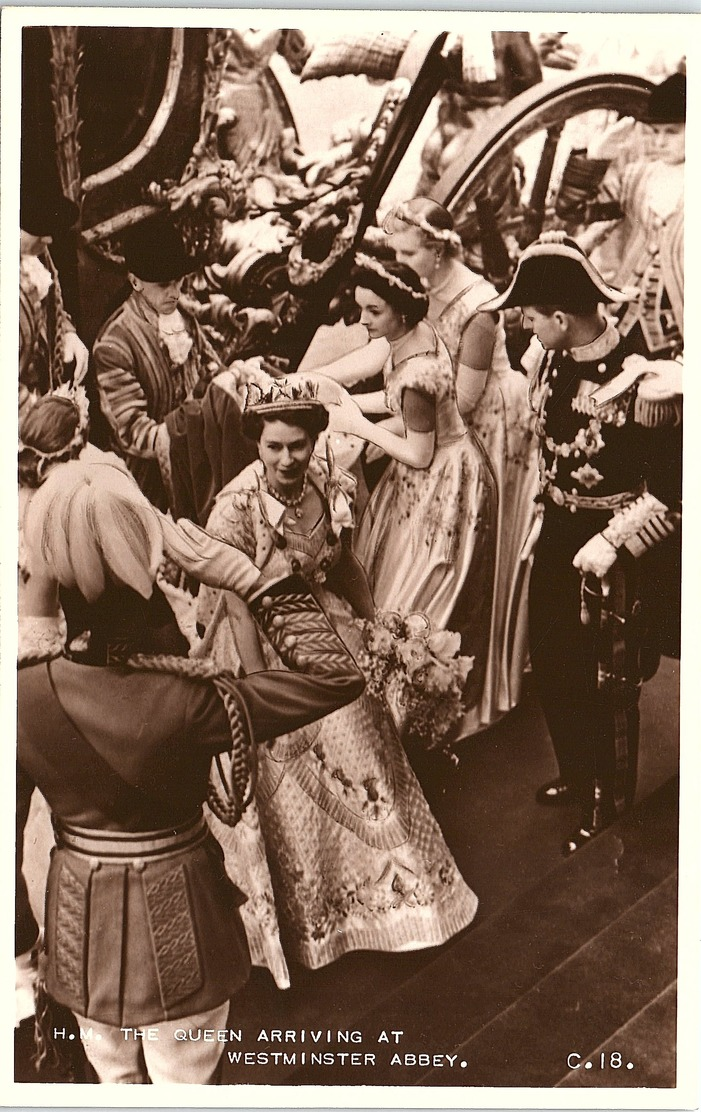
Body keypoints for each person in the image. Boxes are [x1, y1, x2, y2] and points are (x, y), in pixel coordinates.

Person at [16, 459, 365, 1084]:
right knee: (188, 1082)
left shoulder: (22, 696)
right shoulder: (194, 700)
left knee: (114, 1080)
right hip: (180, 919)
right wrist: (243, 574)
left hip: (77, 925)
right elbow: (337, 675)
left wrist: (19, 950)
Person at [196, 377, 478, 987]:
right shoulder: (235, 509)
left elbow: (344, 561)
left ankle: (400, 904)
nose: (286, 459)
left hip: (327, 625)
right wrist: (263, 692)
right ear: (257, 444)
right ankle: (312, 924)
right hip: (262, 645)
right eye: (273, 447)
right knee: (290, 776)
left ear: (314, 439)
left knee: (367, 749)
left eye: (297, 445)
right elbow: (239, 606)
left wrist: (380, 629)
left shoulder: (328, 481)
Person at [479, 232, 680, 854]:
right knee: (557, 662)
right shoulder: (553, 358)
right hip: (559, 533)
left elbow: (674, 496)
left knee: (608, 682)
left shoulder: (643, 384)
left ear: (563, 318)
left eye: (534, 318)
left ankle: (609, 801)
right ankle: (576, 772)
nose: (529, 329)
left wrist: (615, 543)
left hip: (612, 552)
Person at [310, 253, 497, 712]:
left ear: (401, 311)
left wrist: (354, 422)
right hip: (427, 472)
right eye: (361, 309)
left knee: (415, 590)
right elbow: (393, 397)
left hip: (443, 479)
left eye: (373, 311)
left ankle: (407, 708)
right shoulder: (416, 334)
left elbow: (418, 449)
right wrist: (324, 388)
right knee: (389, 579)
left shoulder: (417, 372)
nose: (363, 319)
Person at [385, 198, 538, 734]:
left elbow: (464, 399)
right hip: (438, 419)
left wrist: (390, 417)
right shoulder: (414, 287)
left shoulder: (478, 305)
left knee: (478, 552)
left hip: (487, 426)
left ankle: (475, 687)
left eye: (407, 250)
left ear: (438, 249)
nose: (397, 258)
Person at [93, 212, 255, 515]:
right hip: (149, 487)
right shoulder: (114, 345)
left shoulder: (182, 317)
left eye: (178, 281)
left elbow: (212, 368)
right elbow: (132, 432)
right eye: (164, 284)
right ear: (135, 282)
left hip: (200, 463)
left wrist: (231, 381)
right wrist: (193, 430)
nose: (174, 292)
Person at [19, 180, 89, 420]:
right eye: (36, 229)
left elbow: (48, 306)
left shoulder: (34, 254)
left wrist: (67, 333)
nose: (48, 239)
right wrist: (47, 420)